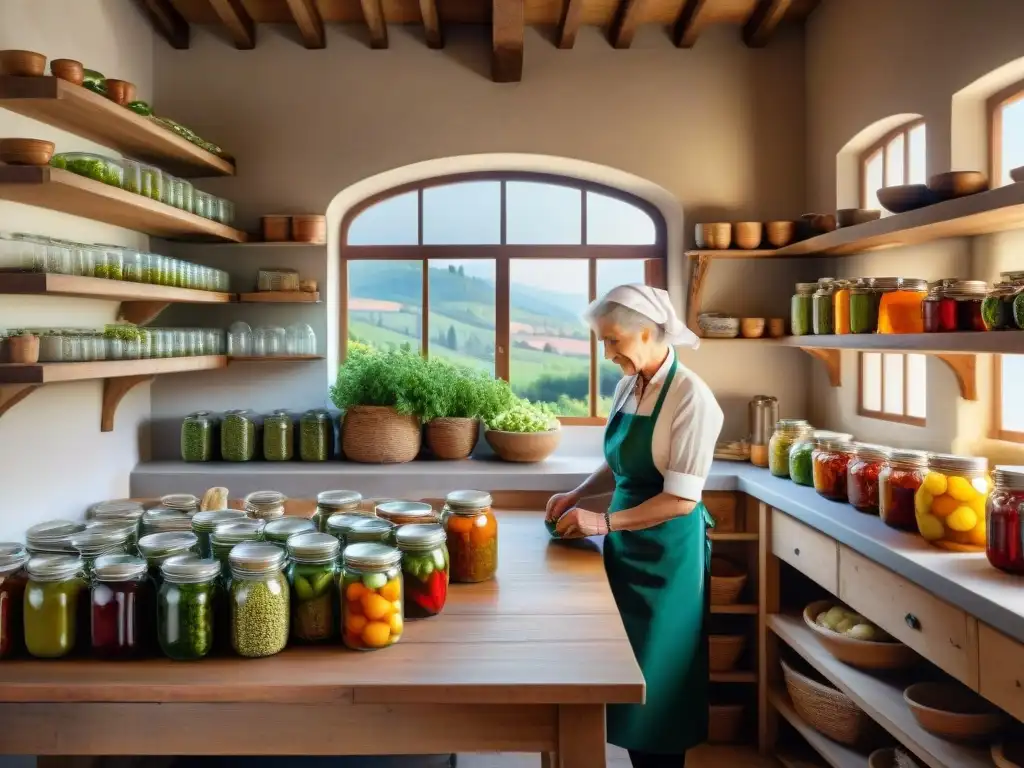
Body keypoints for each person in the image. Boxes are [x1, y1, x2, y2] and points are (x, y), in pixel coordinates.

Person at [546, 284, 724, 768]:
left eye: (614, 341)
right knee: (623, 673)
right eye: (602, 342)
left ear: (649, 332)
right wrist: (578, 494)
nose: (607, 354)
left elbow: (681, 499)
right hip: (625, 547)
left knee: (660, 683)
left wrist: (602, 521)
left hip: (667, 556)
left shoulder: (692, 398)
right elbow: (621, 459)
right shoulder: (631, 384)